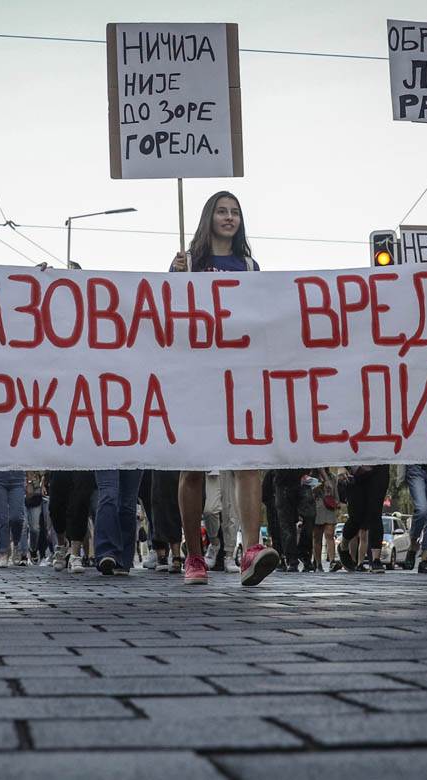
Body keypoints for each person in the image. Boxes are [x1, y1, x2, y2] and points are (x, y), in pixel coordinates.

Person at [169, 191, 279, 587]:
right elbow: (168, 311)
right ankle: (193, 554)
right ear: (208, 218)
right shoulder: (190, 265)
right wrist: (174, 274)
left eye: (235, 212)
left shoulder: (250, 266)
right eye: (222, 211)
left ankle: (251, 549)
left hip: (240, 371)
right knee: (194, 465)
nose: (229, 218)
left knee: (247, 459)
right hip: (198, 373)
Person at [336, 465, 390, 573]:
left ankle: (376, 560)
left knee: (375, 512)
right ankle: (343, 546)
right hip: (354, 468)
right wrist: (341, 466)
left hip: (379, 466)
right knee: (356, 517)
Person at [94, 468, 144, 575]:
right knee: (108, 494)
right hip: (104, 452)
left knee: (127, 504)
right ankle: (107, 552)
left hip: (134, 453)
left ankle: (122, 558)